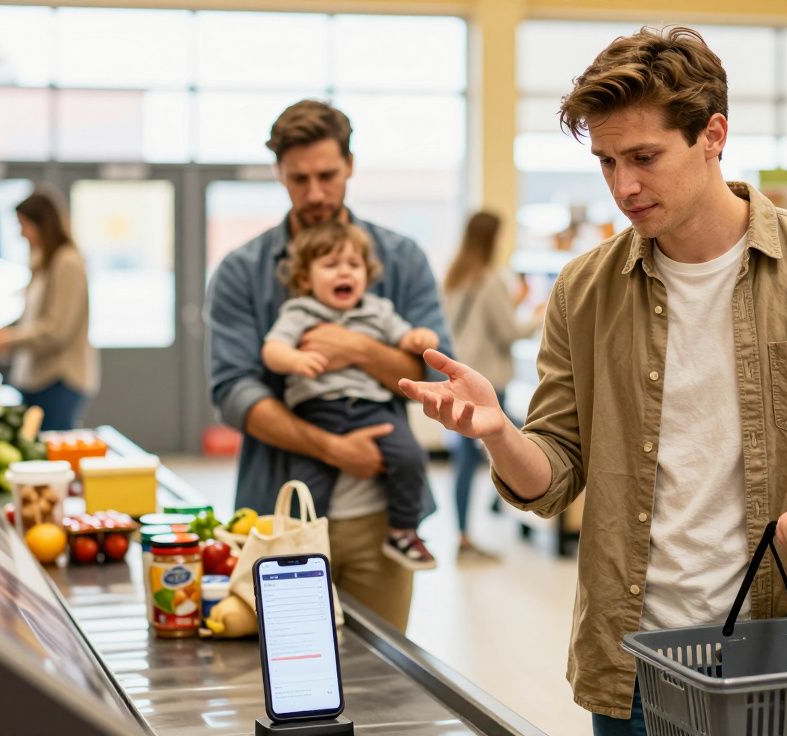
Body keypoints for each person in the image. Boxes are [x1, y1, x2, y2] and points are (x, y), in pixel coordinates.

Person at [400, 26, 787, 735]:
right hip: (638, 667)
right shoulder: (584, 290)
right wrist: (499, 434)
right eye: (607, 162)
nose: (624, 186)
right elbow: (552, 476)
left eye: (644, 156)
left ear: (713, 135)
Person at [206, 99, 452, 632]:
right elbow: (233, 392)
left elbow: (436, 375)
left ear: (350, 166)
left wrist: (354, 348)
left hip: (381, 517)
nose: (315, 193)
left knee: (385, 678)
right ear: (279, 173)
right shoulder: (241, 272)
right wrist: (332, 449)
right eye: (299, 179)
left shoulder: (401, 258)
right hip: (282, 514)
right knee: (289, 675)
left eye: (327, 175)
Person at [262, 221, 440, 570]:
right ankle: (303, 546)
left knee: (410, 457)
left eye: (354, 265)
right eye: (330, 265)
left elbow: (406, 338)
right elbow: (272, 349)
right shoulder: (300, 312)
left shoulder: (378, 310)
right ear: (305, 279)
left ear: (367, 273)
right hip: (317, 411)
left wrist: (419, 338)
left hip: (373, 409)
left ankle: (402, 530)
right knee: (307, 482)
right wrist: (295, 359)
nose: (344, 272)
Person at [441, 211, 541, 559]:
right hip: (485, 381)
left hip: (460, 377)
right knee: (499, 450)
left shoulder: (456, 276)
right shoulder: (489, 278)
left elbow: (473, 326)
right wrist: (540, 313)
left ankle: (468, 530)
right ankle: (470, 537)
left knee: (466, 459)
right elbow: (509, 333)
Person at [0, 192, 97, 431]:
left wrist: (7, 341)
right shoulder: (44, 260)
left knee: (49, 455)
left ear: (43, 224)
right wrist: (0, 333)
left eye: (24, 225)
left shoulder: (67, 262)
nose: (21, 233)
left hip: (59, 378)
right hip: (34, 377)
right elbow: (32, 317)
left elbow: (57, 330)